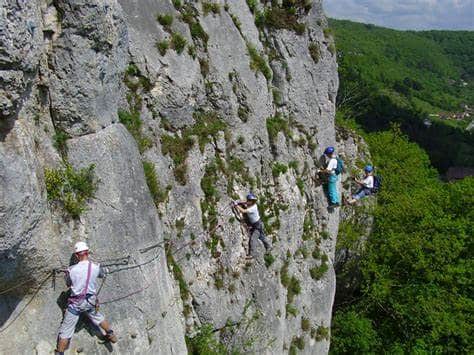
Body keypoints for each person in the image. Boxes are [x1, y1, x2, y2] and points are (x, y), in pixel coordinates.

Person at [55, 242, 117, 355]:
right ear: (87, 253)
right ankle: (111, 334)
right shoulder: (95, 267)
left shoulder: (71, 270)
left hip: (76, 303)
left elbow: (68, 284)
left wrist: (67, 273)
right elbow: (102, 274)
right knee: (98, 317)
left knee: (66, 330)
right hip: (90, 301)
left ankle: (59, 352)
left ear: (77, 255)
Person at [233, 193, 271, 257]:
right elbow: (245, 202)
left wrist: (236, 205)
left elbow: (243, 211)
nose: (247, 201)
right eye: (248, 200)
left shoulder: (252, 208)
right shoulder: (252, 204)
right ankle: (269, 247)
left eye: (249, 200)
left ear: (252, 201)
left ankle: (253, 254)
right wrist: (238, 202)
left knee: (253, 239)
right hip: (257, 224)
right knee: (262, 237)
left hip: (257, 226)